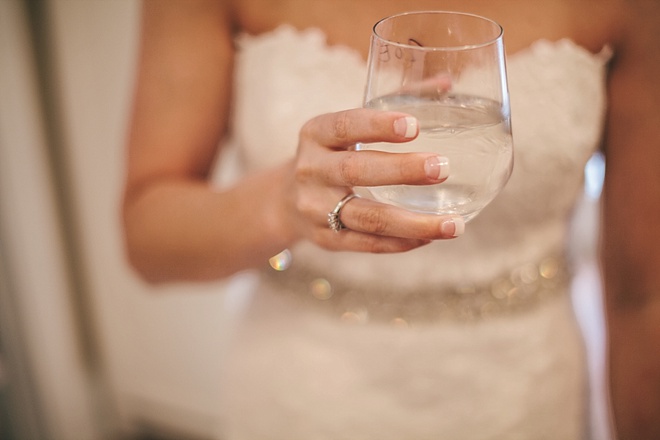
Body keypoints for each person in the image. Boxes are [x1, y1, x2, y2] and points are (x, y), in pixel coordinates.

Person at [121, 0, 660, 439]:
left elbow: (644, 295)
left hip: (522, 397)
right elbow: (147, 238)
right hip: (303, 395)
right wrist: (280, 203)